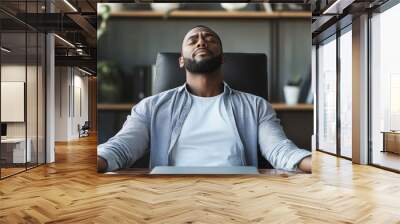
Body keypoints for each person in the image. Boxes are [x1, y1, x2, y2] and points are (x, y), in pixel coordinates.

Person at [97, 25, 312, 173]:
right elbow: (121, 148)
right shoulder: (151, 107)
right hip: (169, 196)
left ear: (222, 58)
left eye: (210, 39)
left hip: (239, 195)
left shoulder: (256, 106)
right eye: (193, 40)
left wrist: (318, 165)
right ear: (181, 60)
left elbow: (280, 150)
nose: (201, 42)